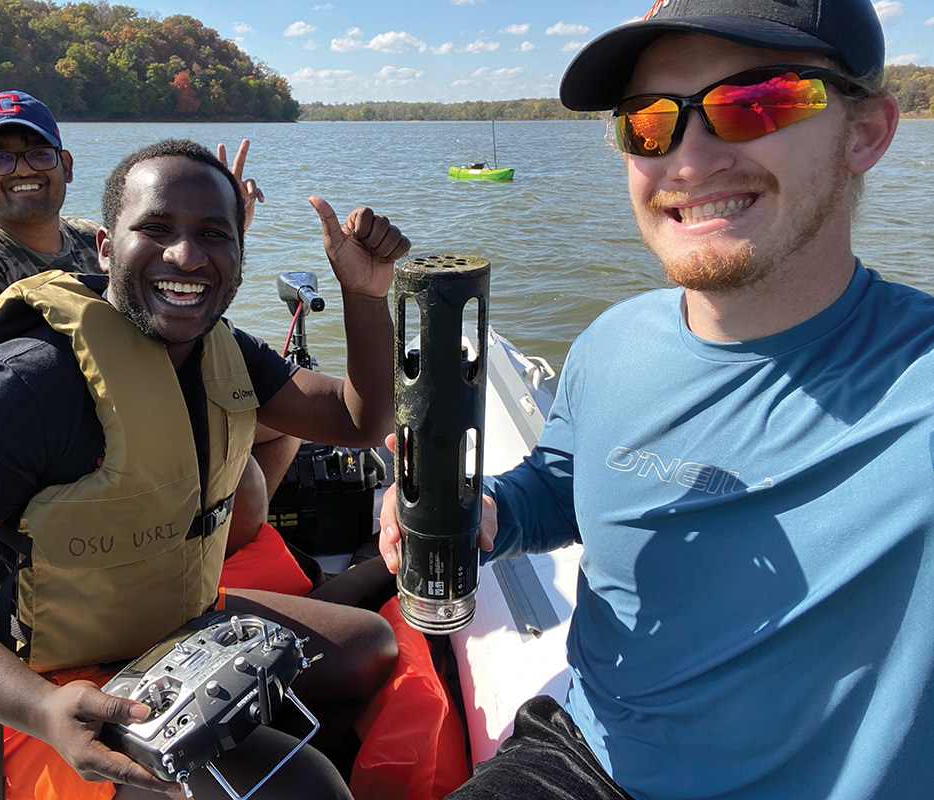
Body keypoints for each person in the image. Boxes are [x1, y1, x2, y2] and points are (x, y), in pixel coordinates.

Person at [381, 1, 932, 798]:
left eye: (755, 103)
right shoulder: (612, 343)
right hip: (586, 754)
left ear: (867, 132)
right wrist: (490, 509)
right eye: (648, 123)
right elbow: (567, 482)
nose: (690, 158)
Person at [0, 138, 410, 799]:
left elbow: (357, 421)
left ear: (237, 255)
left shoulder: (223, 351)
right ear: (106, 248)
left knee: (367, 648)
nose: (186, 254)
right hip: (43, 695)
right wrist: (40, 709)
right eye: (156, 228)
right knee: (305, 788)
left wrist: (365, 294)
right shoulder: (24, 385)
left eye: (213, 234)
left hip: (168, 632)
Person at [0, 89, 297, 509]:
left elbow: (171, 290)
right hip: (64, 441)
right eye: (0, 157)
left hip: (149, 395)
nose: (23, 169)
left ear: (65, 165)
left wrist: (222, 225)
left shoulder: (88, 237)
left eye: (39, 154)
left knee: (283, 427)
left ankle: (217, 552)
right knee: (241, 477)